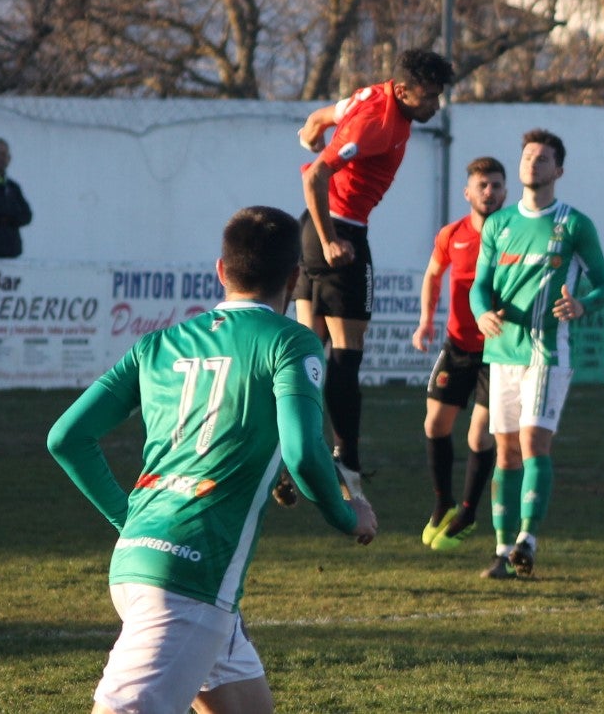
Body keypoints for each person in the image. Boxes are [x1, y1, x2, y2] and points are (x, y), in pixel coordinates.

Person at [47, 205, 378, 714]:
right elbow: (304, 454)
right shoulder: (291, 342)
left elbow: (67, 438)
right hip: (190, 581)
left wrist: (129, 522)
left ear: (221, 271)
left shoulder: (158, 344)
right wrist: (348, 514)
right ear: (294, 278)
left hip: (142, 564)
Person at [293, 49, 455, 500]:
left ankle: (290, 455)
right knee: (346, 354)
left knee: (308, 352)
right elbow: (315, 177)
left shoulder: (372, 95)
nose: (435, 105)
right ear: (403, 91)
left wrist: (311, 131)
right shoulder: (378, 124)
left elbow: (324, 116)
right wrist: (331, 241)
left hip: (314, 228)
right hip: (339, 230)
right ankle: (345, 461)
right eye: (429, 96)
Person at [470, 129, 604, 580]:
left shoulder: (574, 225)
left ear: (559, 170)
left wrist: (582, 305)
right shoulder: (498, 224)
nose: (533, 162)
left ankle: (527, 541)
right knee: (505, 452)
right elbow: (480, 285)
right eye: (528, 156)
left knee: (533, 443)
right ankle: (502, 551)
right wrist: (481, 313)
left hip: (546, 352)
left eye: (543, 158)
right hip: (502, 351)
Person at [412, 156, 507, 551]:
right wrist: (426, 320)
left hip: (497, 350)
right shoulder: (452, 234)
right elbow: (434, 274)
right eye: (482, 185)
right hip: (457, 345)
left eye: (496, 185)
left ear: (505, 191)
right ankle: (443, 502)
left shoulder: (513, 234)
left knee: (478, 434)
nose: (490, 192)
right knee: (435, 424)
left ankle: (467, 512)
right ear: (467, 192)